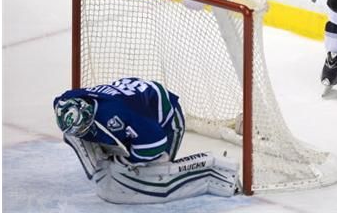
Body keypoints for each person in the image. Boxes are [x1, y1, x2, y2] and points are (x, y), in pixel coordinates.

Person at [54, 77, 239, 204]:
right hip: (134, 108)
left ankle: (215, 171)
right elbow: (69, 119)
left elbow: (155, 143)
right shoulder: (65, 101)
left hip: (165, 118)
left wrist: (126, 161)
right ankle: (99, 168)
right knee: (74, 135)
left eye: (86, 127)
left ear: (88, 113)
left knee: (157, 166)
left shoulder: (115, 114)